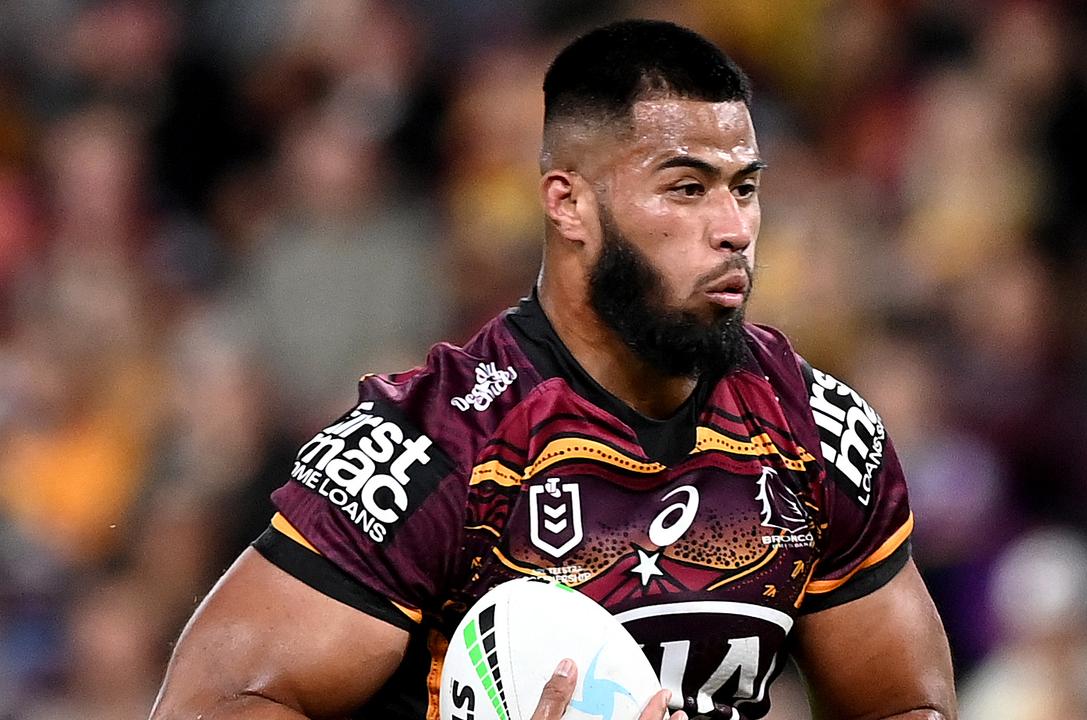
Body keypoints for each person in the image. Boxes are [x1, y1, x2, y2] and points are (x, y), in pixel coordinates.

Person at [150, 19, 956, 720]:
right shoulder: (432, 449)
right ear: (568, 204)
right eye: (686, 188)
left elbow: (905, 705)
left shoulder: (816, 430)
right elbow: (207, 703)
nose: (734, 227)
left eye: (745, 188)